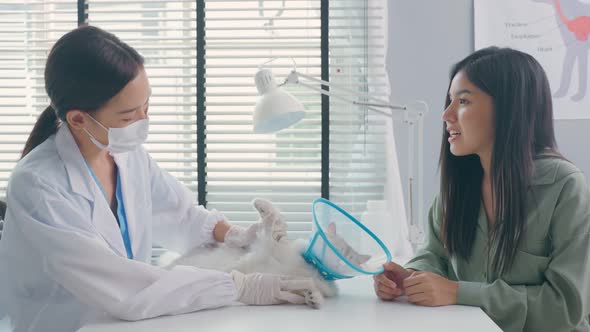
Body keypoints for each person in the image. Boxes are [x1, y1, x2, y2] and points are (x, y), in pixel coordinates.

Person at [0, 26, 316, 332]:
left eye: (147, 105)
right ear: (78, 118)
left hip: (124, 321)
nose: (144, 121)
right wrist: (240, 286)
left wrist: (236, 235)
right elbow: (117, 284)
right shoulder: (38, 185)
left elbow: (182, 216)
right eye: (128, 115)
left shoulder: (126, 154)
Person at [373, 47, 590, 332]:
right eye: (450, 101)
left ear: (509, 107)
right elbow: (435, 254)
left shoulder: (565, 188)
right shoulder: (458, 189)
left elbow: (566, 307)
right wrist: (412, 276)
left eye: (462, 101)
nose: (446, 115)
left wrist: (457, 292)